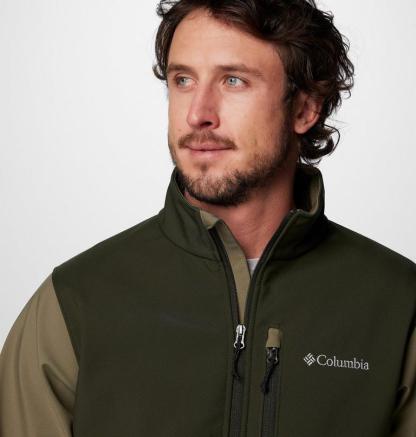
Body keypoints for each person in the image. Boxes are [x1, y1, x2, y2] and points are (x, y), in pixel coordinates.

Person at [0, 0, 415, 435]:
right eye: (183, 80)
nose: (197, 114)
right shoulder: (73, 304)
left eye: (233, 80)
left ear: (304, 109)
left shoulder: (397, 305)